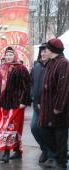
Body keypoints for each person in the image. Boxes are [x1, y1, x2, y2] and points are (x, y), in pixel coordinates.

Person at [0, 46, 31, 163]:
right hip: (3, 104)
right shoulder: (0, 69)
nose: (8, 57)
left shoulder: (21, 69)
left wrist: (24, 101)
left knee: (11, 128)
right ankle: (17, 151)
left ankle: (6, 153)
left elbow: (27, 86)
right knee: (4, 128)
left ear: (15, 55)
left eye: (11, 54)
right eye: (7, 55)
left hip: (16, 103)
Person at [39, 38, 69, 169]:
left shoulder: (63, 63)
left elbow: (64, 87)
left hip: (58, 109)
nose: (45, 51)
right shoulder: (51, 63)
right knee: (44, 131)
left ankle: (61, 162)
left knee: (60, 136)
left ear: (53, 50)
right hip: (47, 107)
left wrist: (58, 107)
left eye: (48, 49)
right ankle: (58, 156)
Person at [30, 43, 55, 164]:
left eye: (45, 51)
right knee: (34, 128)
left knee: (47, 130)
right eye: (41, 52)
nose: (43, 54)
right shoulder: (37, 67)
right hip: (36, 105)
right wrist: (32, 95)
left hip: (48, 105)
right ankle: (44, 149)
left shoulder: (54, 66)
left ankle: (51, 154)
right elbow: (31, 83)